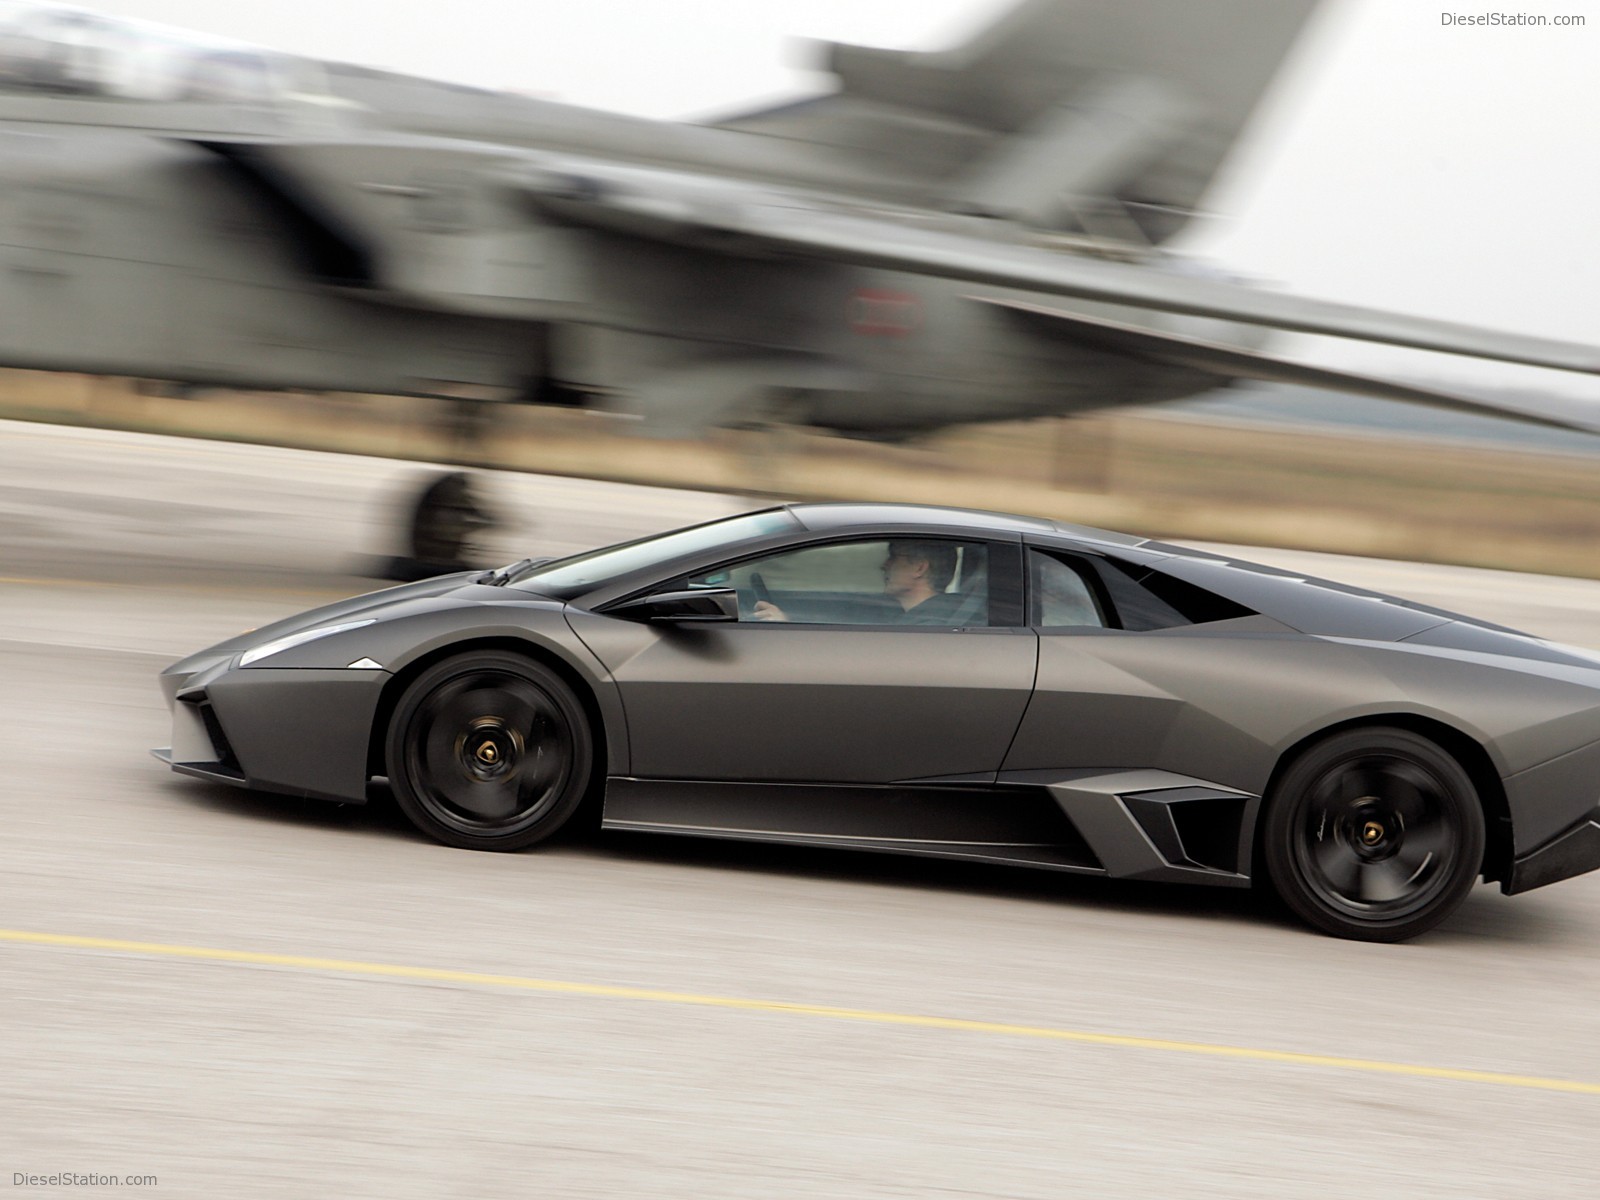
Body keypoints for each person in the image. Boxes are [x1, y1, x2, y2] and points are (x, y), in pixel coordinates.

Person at [753, 540, 968, 625]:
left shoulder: (927, 627)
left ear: (919, 567)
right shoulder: (921, 618)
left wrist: (787, 631)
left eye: (894, 556)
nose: (884, 565)